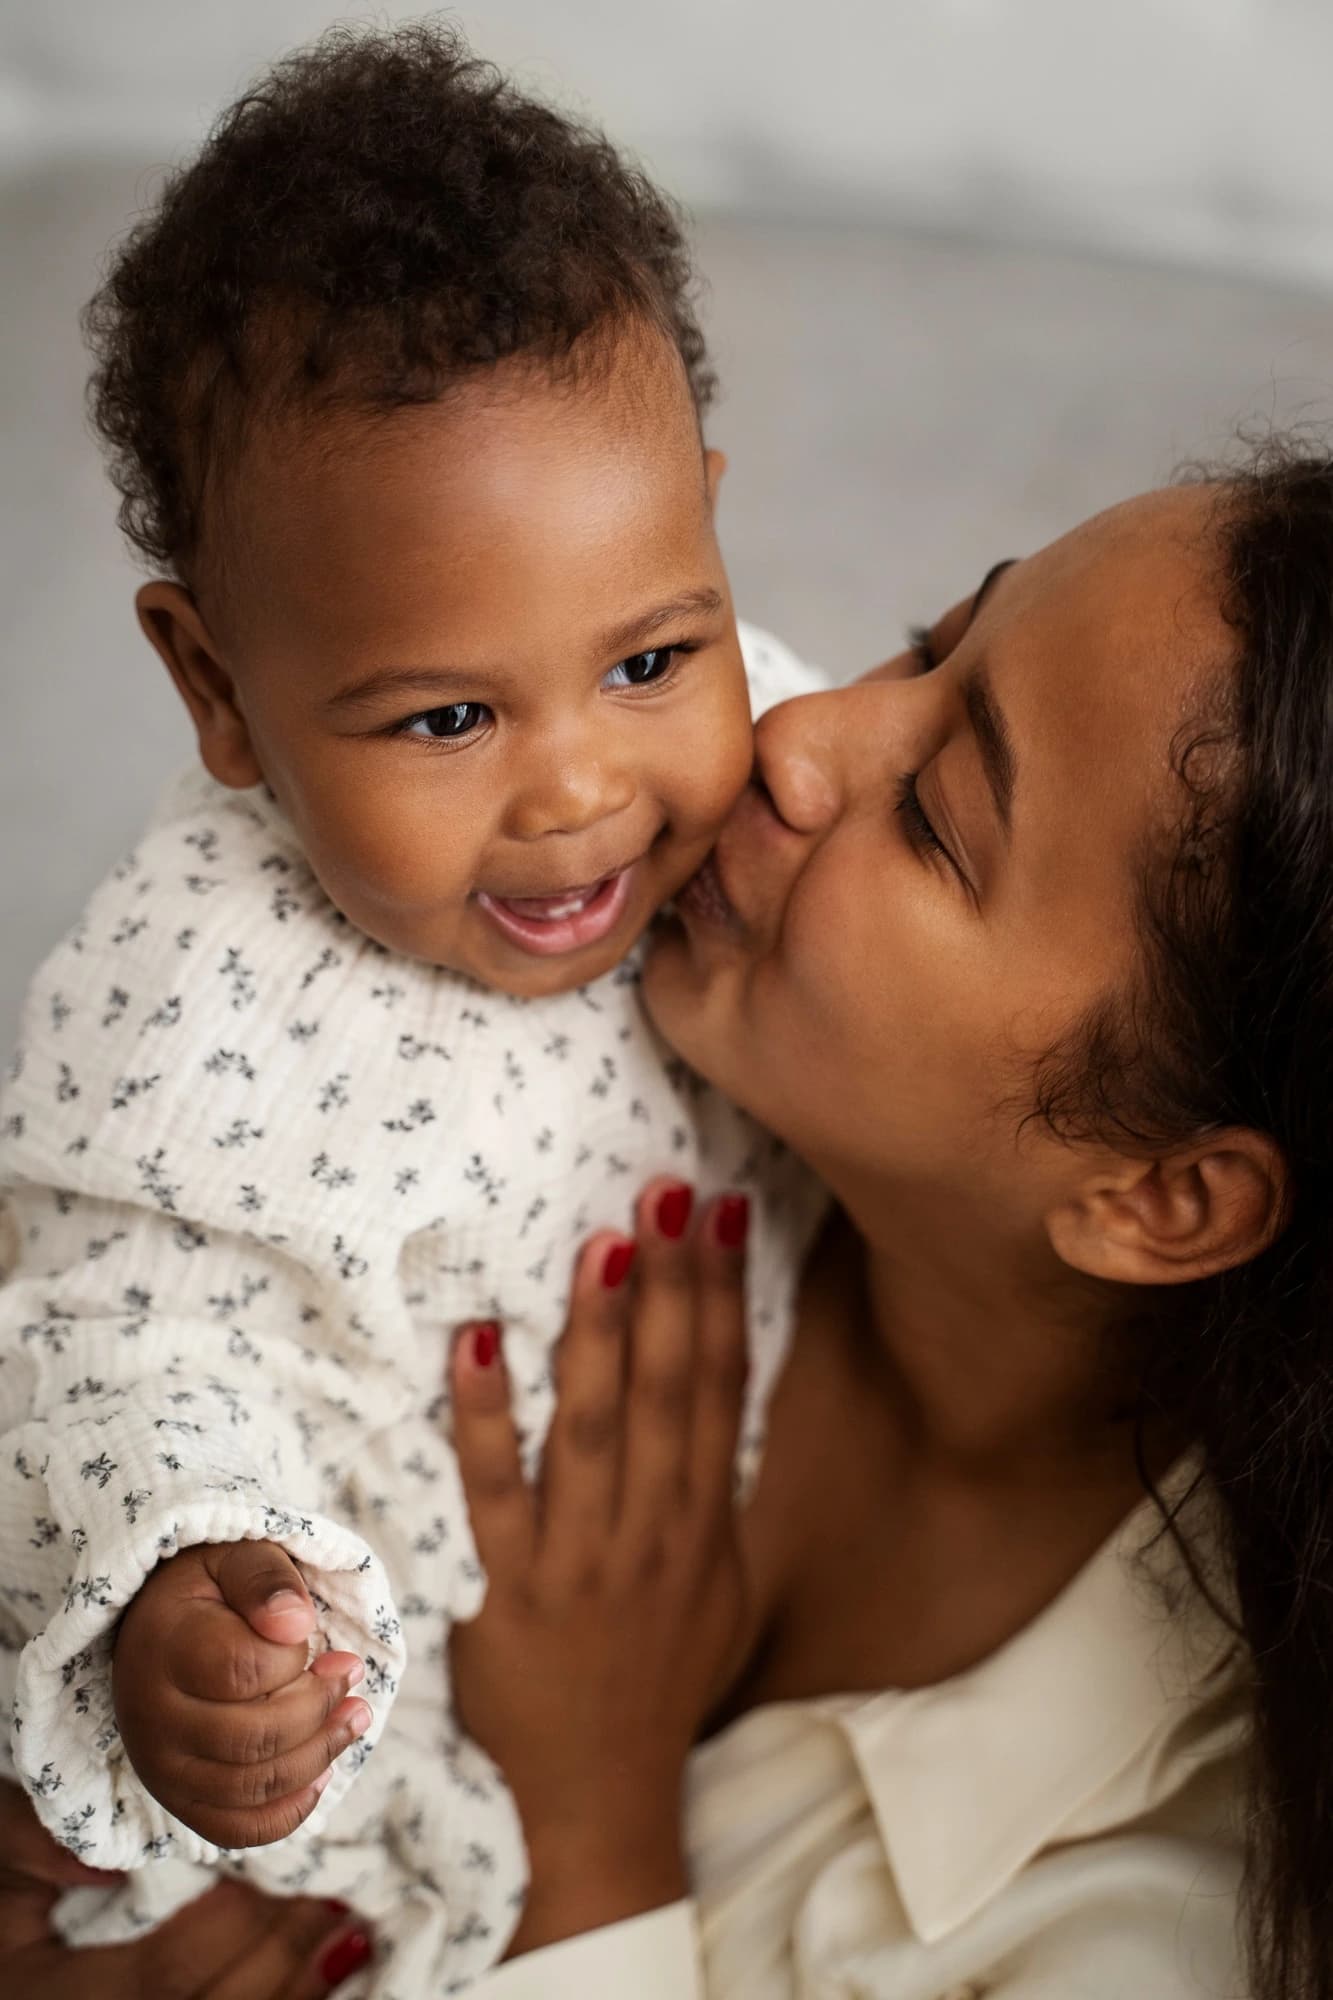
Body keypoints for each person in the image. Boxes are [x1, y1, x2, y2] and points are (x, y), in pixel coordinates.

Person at [0, 22, 823, 1994]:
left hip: (694, 1639)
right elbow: (116, 1319)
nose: (576, 791)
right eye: (448, 716)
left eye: (647, 654)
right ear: (216, 688)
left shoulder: (782, 767)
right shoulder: (196, 974)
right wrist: (203, 1588)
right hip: (345, 1710)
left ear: (705, 531)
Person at [437, 448, 1333, 1999]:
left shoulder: (1149, 1923)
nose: (790, 733)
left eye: (932, 819)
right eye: (930, 645)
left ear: (1161, 1197)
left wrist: (585, 1839)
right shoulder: (569, 928)